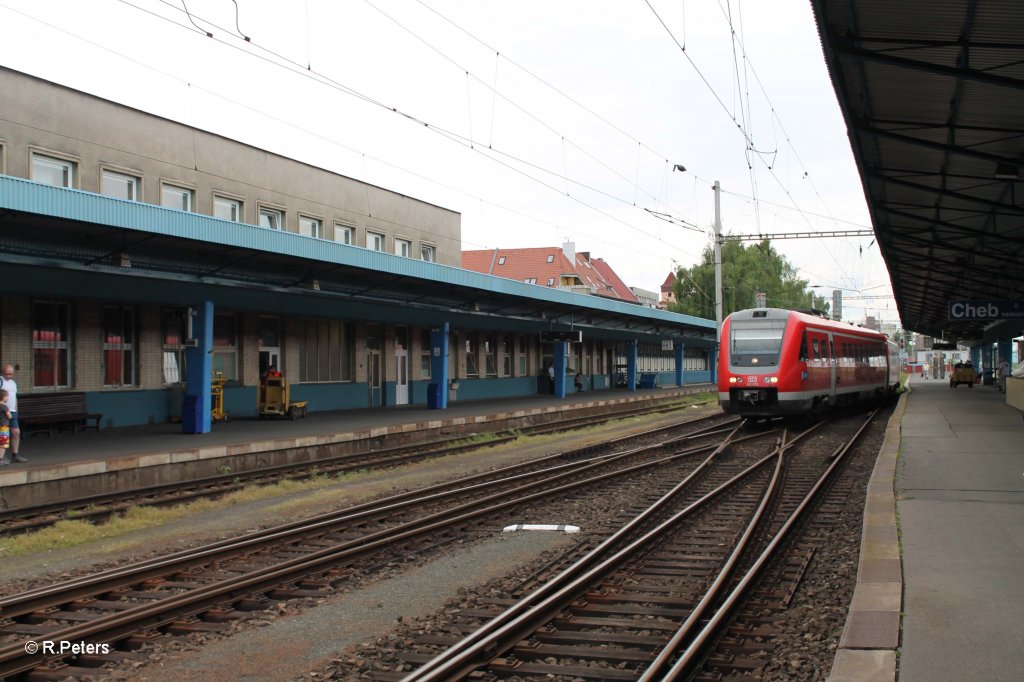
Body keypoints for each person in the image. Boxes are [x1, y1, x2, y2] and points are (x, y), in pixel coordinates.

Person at [0, 365, 24, 463]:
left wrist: (16, 410)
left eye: (11, 374)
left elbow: (14, 397)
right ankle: (1, 456)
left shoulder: (13, 383)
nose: (9, 376)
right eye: (7, 374)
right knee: (3, 434)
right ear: (2, 372)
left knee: (16, 432)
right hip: (2, 411)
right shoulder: (1, 380)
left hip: (12, 411)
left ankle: (15, 454)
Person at [0, 389, 11, 465]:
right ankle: (1, 459)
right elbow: (9, 416)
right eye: (7, 396)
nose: (7, 398)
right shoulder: (4, 407)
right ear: (3, 397)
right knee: (3, 444)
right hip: (4, 427)